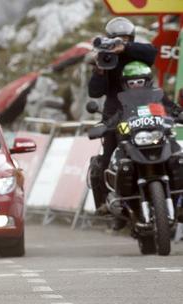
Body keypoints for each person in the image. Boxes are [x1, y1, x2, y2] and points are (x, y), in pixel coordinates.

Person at [88, 17, 158, 229]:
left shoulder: (138, 54)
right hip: (114, 114)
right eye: (115, 39)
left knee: (160, 145)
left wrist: (125, 47)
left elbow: (151, 53)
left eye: (125, 38)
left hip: (143, 111)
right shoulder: (105, 59)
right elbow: (94, 91)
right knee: (108, 156)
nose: (119, 41)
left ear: (131, 38)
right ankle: (108, 203)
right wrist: (99, 68)